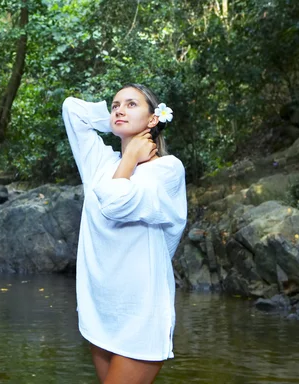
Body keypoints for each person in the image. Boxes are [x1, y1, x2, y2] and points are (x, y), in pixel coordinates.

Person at [62, 84, 187, 384]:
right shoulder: (99, 165)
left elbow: (116, 204)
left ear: (153, 119)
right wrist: (118, 124)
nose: (119, 109)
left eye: (131, 105)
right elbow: (72, 108)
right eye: (116, 105)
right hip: (101, 308)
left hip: (140, 311)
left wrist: (130, 157)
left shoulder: (168, 170)